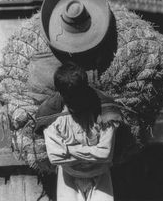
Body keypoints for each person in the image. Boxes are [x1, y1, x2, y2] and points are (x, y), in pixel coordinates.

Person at [43, 62, 122, 201]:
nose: (75, 103)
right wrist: (92, 151)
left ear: (85, 90)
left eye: (79, 97)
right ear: (61, 94)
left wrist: (68, 150)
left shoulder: (104, 111)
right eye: (70, 99)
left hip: (100, 175)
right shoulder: (51, 115)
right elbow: (55, 157)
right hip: (69, 176)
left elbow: (105, 154)